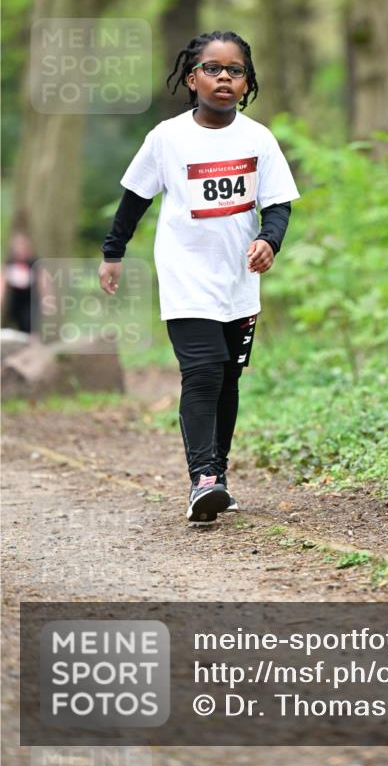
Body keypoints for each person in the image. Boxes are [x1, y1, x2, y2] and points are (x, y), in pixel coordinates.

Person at [98, 30, 300, 523]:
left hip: (238, 280)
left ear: (247, 81)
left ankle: (218, 478)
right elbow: (136, 198)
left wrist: (268, 241)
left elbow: (276, 203)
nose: (224, 77)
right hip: (186, 276)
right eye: (213, 69)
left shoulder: (258, 138)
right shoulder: (167, 138)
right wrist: (113, 252)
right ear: (192, 79)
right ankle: (203, 479)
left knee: (228, 376)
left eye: (235, 70)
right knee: (204, 371)